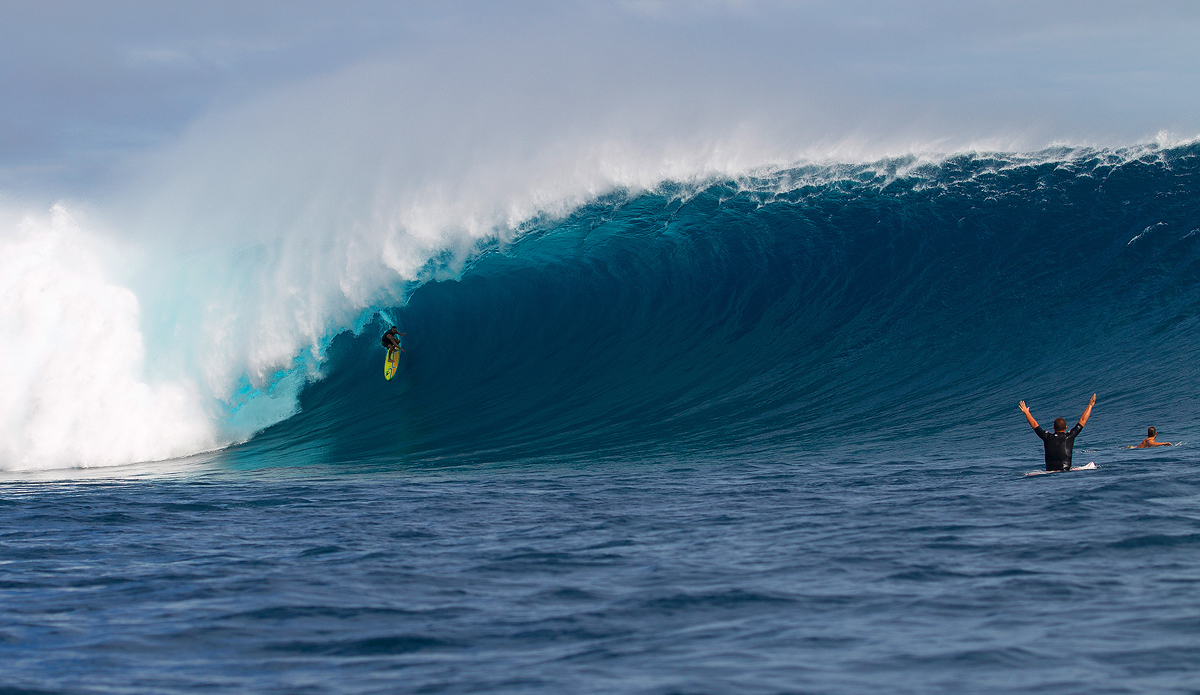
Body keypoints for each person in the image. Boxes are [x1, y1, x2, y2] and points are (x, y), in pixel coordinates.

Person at [1018, 394, 1096, 471]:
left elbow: (1035, 425)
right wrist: (1090, 405)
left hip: (1050, 471)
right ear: (1066, 428)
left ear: (1054, 427)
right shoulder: (1069, 436)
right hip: (1065, 470)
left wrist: (1027, 413)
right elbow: (1082, 421)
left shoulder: (1047, 437)